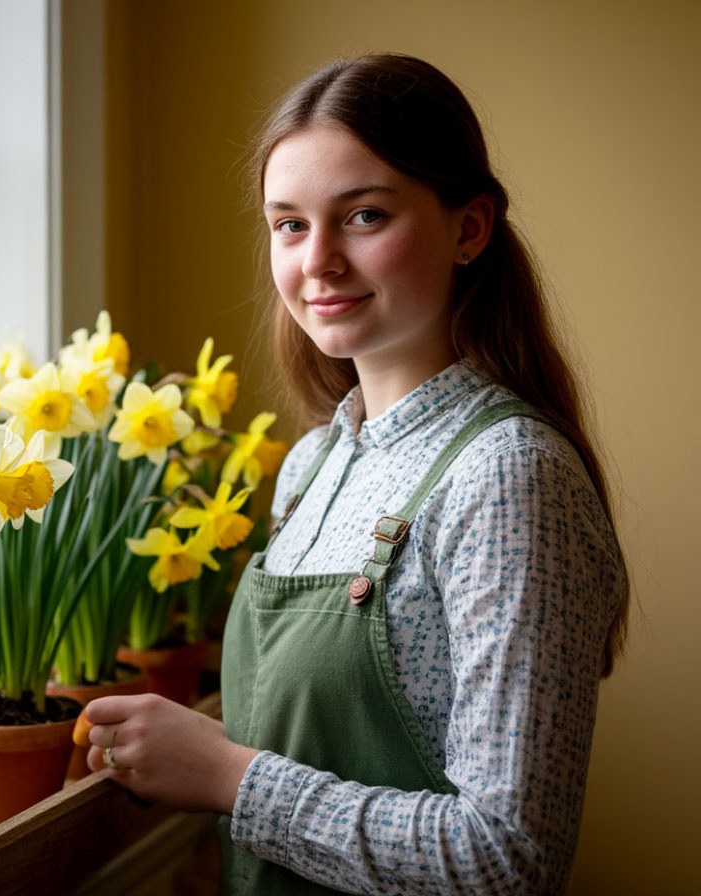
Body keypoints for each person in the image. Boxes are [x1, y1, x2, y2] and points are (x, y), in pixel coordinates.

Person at [82, 54, 628, 895]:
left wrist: (230, 778)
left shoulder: (508, 475)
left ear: (470, 228)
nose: (318, 261)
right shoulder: (312, 464)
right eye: (289, 225)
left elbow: (507, 859)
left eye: (364, 216)